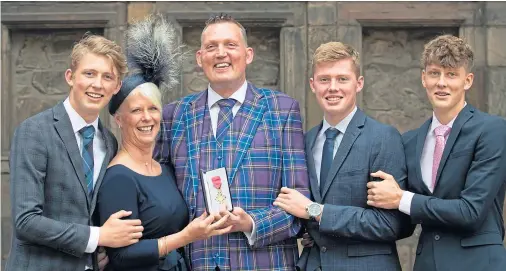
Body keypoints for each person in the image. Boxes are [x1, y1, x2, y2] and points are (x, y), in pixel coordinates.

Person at [154, 14, 310, 271]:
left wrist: (251, 223)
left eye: (230, 45)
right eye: (211, 47)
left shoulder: (282, 111)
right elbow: (161, 199)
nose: (220, 53)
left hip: (266, 264)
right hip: (198, 263)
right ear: (199, 57)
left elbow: (299, 202)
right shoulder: (175, 115)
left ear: (248, 55)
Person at [97, 15, 231, 271]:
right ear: (118, 119)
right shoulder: (119, 178)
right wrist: (186, 237)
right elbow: (121, 256)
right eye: (136, 110)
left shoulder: (164, 168)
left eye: (153, 108)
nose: (147, 117)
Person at [366, 35, 506, 271]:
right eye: (434, 73)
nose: (441, 83)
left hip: (479, 264)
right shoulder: (409, 141)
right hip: (427, 263)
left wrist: (401, 198)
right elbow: (402, 218)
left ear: (467, 80)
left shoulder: (492, 130)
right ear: (423, 78)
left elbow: (471, 211)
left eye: (451, 74)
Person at [6, 35, 144, 271]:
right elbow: (26, 221)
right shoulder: (34, 131)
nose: (98, 84)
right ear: (70, 77)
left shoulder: (109, 143)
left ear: (116, 86)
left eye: (107, 77)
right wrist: (98, 237)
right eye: (89, 73)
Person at [274, 41, 411, 271]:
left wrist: (315, 211)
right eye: (324, 79)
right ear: (313, 85)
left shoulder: (383, 138)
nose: (333, 87)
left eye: (342, 79)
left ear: (359, 83)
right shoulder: (303, 142)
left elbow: (392, 224)